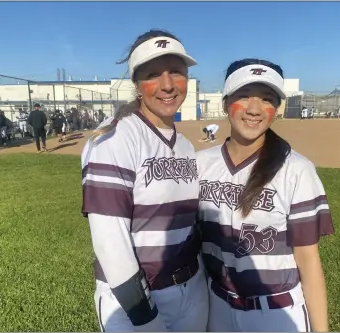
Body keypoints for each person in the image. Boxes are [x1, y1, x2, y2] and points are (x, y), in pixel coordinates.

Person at [81, 29, 208, 332]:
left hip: (192, 290)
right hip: (135, 303)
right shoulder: (114, 138)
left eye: (176, 72)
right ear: (137, 85)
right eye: (153, 74)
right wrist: (145, 317)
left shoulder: (185, 146)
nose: (167, 85)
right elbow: (111, 244)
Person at [197, 58, 335, 332]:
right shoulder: (200, 164)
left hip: (275, 313)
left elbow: (308, 261)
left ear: (277, 108)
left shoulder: (297, 170)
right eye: (244, 95)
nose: (254, 108)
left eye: (267, 98)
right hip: (216, 309)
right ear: (225, 103)